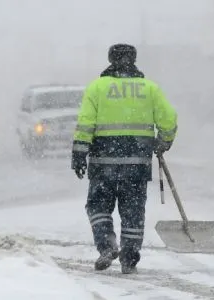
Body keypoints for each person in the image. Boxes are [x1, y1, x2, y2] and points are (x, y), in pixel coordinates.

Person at [71, 43, 177, 274]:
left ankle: (107, 245)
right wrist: (164, 141)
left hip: (103, 161)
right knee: (133, 211)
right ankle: (129, 258)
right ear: (134, 59)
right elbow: (168, 119)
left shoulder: (97, 88)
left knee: (98, 206)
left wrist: (79, 152)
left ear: (110, 59)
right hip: (137, 162)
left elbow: (86, 123)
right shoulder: (149, 88)